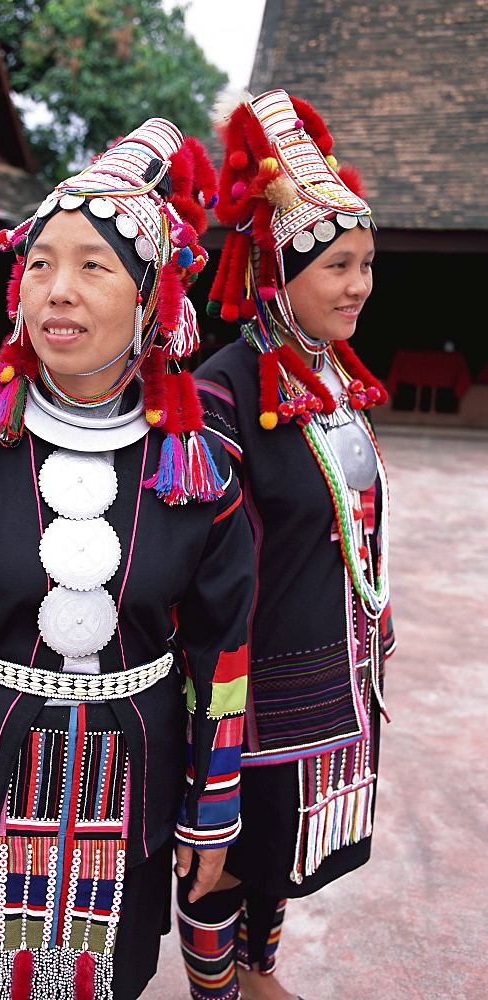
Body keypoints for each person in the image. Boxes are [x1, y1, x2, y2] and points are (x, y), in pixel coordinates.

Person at [0, 119, 257, 1000]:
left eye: (94, 267)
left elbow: (221, 655)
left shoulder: (201, 469)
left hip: (132, 795)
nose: (57, 291)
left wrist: (211, 807)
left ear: (154, 300)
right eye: (39, 265)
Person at [176, 90, 395, 1000]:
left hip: (332, 654)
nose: (358, 285)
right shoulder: (224, 395)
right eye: (339, 265)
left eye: (368, 264)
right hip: (254, 677)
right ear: (279, 270)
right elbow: (204, 570)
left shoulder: (333, 379)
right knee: (231, 852)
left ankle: (260, 969)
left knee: (283, 848)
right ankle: (215, 986)